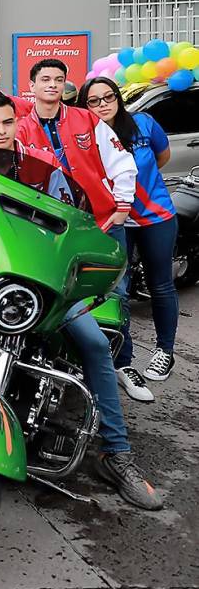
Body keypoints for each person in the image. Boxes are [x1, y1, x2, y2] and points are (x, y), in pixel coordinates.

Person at [0, 93, 163, 511]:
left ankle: (116, 451)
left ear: (17, 123)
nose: (0, 131)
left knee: (93, 344)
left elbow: (73, 225)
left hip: (44, 287)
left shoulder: (47, 174)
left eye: (7, 123)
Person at [17, 59, 141, 397]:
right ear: (32, 85)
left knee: (115, 295)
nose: (53, 85)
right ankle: (61, 368)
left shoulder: (86, 119)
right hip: (55, 232)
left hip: (101, 224)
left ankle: (120, 365)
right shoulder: (19, 128)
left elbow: (122, 163)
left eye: (59, 79)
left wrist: (122, 207)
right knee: (60, 298)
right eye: (45, 79)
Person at [80, 77, 179, 388]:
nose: (102, 104)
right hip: (113, 222)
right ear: (85, 106)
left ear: (118, 98)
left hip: (156, 217)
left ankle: (165, 351)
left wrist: (144, 189)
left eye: (108, 97)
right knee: (117, 290)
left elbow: (163, 157)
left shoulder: (143, 123)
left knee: (160, 284)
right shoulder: (84, 135)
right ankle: (124, 360)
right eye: (93, 101)